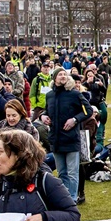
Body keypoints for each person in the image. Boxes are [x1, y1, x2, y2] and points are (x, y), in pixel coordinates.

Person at [42, 70, 89, 202]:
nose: (63, 76)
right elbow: (47, 109)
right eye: (60, 74)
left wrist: (75, 119)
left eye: (64, 74)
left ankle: (72, 198)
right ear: (55, 78)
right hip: (56, 139)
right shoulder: (50, 95)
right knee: (62, 172)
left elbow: (87, 110)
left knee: (72, 172)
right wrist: (43, 116)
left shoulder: (74, 94)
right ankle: (65, 198)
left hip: (71, 139)